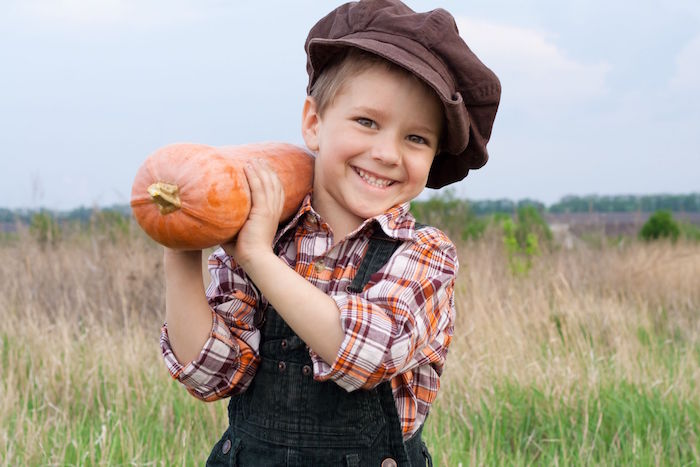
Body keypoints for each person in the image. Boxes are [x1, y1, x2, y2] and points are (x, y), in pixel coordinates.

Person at [160, 0, 500, 465]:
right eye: (367, 122)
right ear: (314, 123)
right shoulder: (263, 232)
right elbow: (213, 374)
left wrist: (259, 258)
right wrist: (181, 238)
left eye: (416, 138)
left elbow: (367, 355)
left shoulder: (425, 255)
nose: (386, 152)